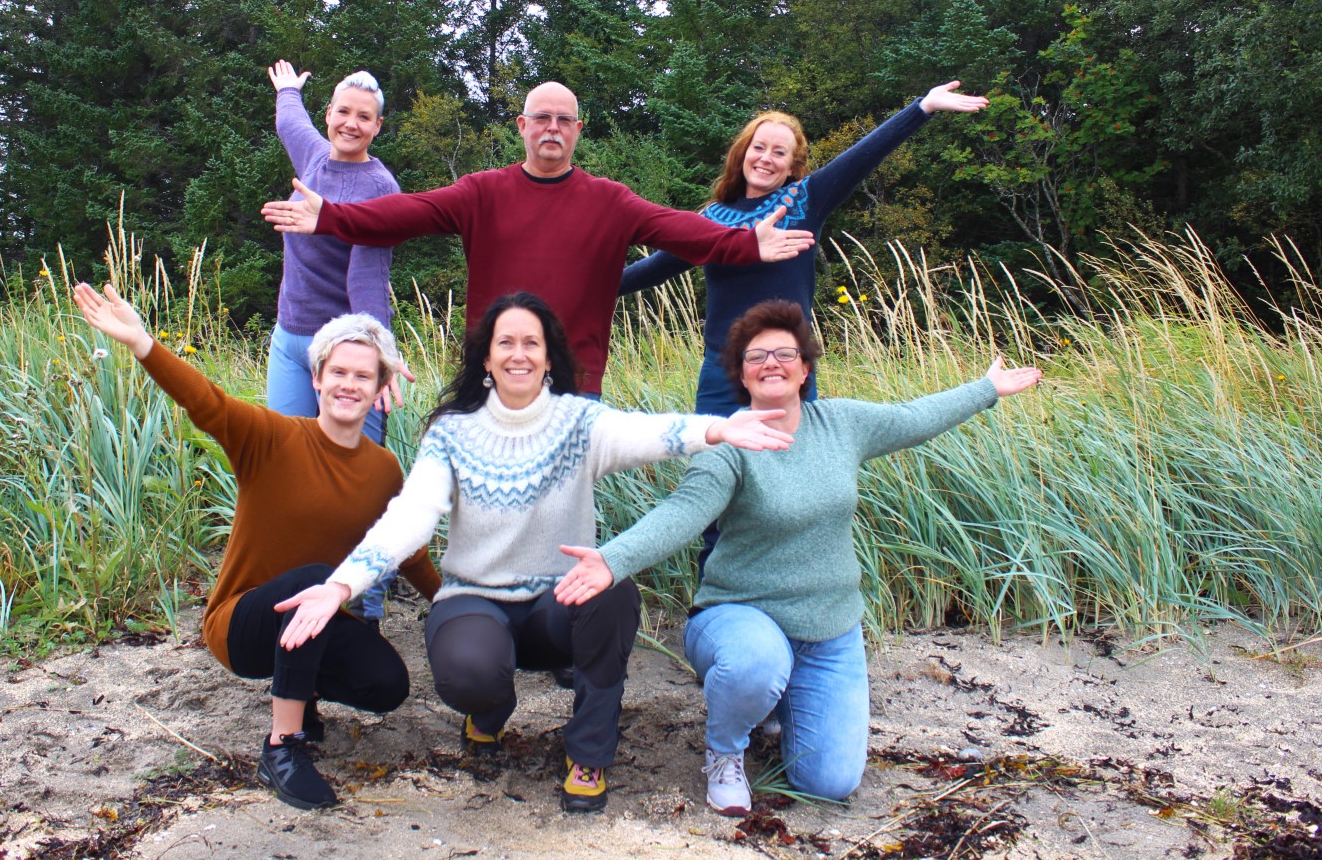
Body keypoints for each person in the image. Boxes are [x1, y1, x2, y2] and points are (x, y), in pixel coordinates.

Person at [269, 293, 795, 814]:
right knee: (471, 674)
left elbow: (649, 431)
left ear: (548, 358)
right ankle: (489, 709)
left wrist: (717, 428)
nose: (518, 354)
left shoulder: (579, 423)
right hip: (474, 600)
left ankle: (588, 755)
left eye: (531, 343)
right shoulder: (452, 432)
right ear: (486, 358)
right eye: (505, 343)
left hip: (559, 604)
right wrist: (341, 585)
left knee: (613, 592)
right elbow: (411, 514)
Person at [553, 300, 1040, 815]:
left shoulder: (842, 424)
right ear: (741, 373)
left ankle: (781, 699)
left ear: (805, 368)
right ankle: (725, 751)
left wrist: (986, 389)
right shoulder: (729, 445)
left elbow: (912, 418)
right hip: (740, 619)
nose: (771, 363)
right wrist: (613, 560)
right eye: (756, 356)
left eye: (785, 354)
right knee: (755, 664)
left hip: (828, 631)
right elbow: (683, 513)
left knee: (829, 781)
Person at [72, 283, 441, 812]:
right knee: (313, 579)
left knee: (386, 685)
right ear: (317, 378)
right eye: (338, 372)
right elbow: (206, 401)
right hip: (240, 623)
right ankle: (282, 746)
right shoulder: (270, 437)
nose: (348, 384)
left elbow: (407, 551)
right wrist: (142, 343)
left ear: (381, 386)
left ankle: (303, 690)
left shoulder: (383, 468)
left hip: (316, 617)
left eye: (363, 376)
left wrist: (451, 604)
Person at [618, 83, 989, 569]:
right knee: (714, 482)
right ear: (742, 154)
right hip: (722, 374)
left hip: (787, 371)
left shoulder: (803, 200)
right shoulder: (712, 218)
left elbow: (862, 157)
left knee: (790, 482)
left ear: (793, 165)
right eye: (759, 147)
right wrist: (575, 289)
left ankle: (793, 585)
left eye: (780, 152)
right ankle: (719, 591)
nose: (766, 159)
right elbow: (652, 270)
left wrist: (922, 108)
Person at [259, 81, 817, 397]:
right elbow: (406, 212)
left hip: (574, 386)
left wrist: (747, 243)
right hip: (492, 380)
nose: (552, 127)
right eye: (541, 118)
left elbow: (681, 229)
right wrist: (331, 216)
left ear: (577, 131)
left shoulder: (610, 201)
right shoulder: (482, 192)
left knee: (564, 523)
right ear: (522, 126)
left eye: (563, 120)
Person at [265, 60, 412, 627]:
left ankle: (365, 611)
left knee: (360, 480)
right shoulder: (313, 158)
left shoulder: (380, 189)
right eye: (343, 112)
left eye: (364, 117)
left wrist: (376, 353)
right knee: (287, 465)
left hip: (347, 353)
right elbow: (290, 123)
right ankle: (296, 588)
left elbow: (366, 279)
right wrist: (288, 90)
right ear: (329, 114)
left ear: (378, 126)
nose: (351, 123)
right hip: (289, 341)